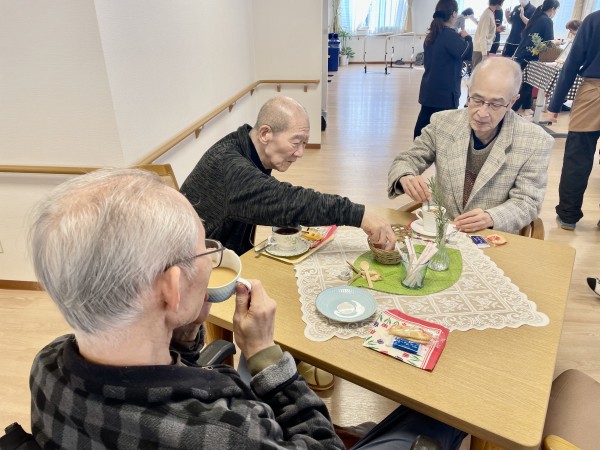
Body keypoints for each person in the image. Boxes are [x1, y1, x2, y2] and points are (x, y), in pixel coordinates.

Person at [28, 168, 467, 449]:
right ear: (171, 288)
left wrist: (184, 322)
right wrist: (263, 354)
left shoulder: (46, 366)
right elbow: (322, 444)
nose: (212, 258)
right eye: (205, 251)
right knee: (438, 418)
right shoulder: (227, 432)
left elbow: (155, 368)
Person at [180, 96, 396, 256]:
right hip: (195, 272)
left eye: (305, 143)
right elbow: (288, 201)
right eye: (296, 142)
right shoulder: (231, 166)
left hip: (221, 257)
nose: (300, 153)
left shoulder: (243, 144)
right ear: (265, 133)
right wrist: (359, 215)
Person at [388, 57, 554, 234]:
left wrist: (491, 217)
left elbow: (528, 202)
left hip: (491, 237)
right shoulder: (443, 122)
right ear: (468, 89)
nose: (482, 113)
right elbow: (407, 159)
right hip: (440, 232)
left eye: (495, 104)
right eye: (477, 99)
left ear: (512, 102)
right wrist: (405, 176)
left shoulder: (536, 141)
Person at [545, 10, 600, 231]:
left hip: (593, 93)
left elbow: (572, 62)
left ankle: (568, 216)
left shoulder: (595, 19)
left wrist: (555, 104)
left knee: (578, 156)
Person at [414, 0, 472, 139]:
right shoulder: (450, 36)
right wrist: (468, 37)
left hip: (429, 92)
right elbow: (466, 53)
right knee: (444, 135)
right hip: (445, 95)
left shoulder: (432, 35)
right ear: (453, 14)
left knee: (421, 132)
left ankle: (418, 152)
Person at [512, 1, 561, 117]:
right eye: (556, 10)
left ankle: (526, 108)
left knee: (526, 83)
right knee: (526, 85)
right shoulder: (547, 21)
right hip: (530, 56)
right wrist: (557, 42)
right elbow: (549, 42)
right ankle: (511, 111)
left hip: (521, 54)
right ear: (553, 9)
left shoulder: (536, 18)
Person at [472, 0, 505, 69]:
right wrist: (484, 54)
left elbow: (487, 31)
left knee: (481, 72)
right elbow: (483, 35)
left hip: (483, 49)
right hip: (481, 50)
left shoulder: (490, 12)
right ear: (498, 3)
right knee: (478, 72)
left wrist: (496, 29)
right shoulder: (487, 15)